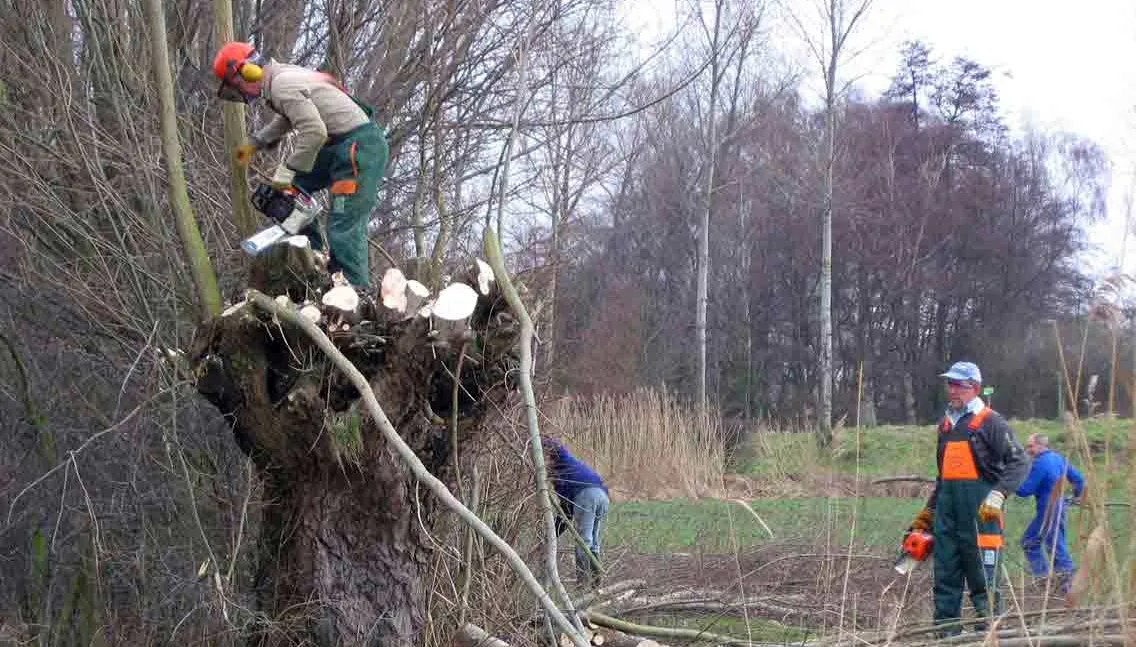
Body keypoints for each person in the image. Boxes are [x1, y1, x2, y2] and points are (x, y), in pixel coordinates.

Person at [212, 41, 389, 290]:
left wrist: (287, 169)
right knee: (294, 189)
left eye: (235, 86)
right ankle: (312, 256)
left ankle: (355, 292)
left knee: (343, 223)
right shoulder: (280, 77)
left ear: (246, 71)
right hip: (340, 144)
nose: (240, 94)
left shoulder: (282, 84)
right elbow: (289, 116)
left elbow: (314, 132)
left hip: (358, 149)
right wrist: (257, 142)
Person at [906, 361, 1029, 635]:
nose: (952, 390)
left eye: (958, 385)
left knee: (984, 583)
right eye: (950, 384)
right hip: (947, 517)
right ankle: (945, 636)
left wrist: (999, 493)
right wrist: (928, 514)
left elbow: (1020, 461)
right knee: (945, 580)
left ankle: (990, 637)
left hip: (981, 516)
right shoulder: (946, 426)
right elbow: (944, 478)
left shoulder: (991, 422)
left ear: (973, 387)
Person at [1016, 433, 1085, 593]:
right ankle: (1047, 580)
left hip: (1048, 510)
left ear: (1041, 446)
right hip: (1057, 506)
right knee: (1032, 541)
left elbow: (1025, 490)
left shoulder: (1040, 463)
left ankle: (1067, 587)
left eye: (1030, 446)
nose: (1028, 450)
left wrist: (1010, 482)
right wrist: (1076, 496)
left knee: (1050, 544)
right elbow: (1079, 479)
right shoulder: (1058, 458)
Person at [542, 437, 609, 590]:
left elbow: (565, 510)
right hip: (603, 497)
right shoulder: (572, 468)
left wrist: (540, 442)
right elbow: (567, 511)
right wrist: (553, 532)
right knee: (593, 540)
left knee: (583, 540)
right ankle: (597, 581)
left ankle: (583, 583)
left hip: (586, 496)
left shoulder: (563, 463)